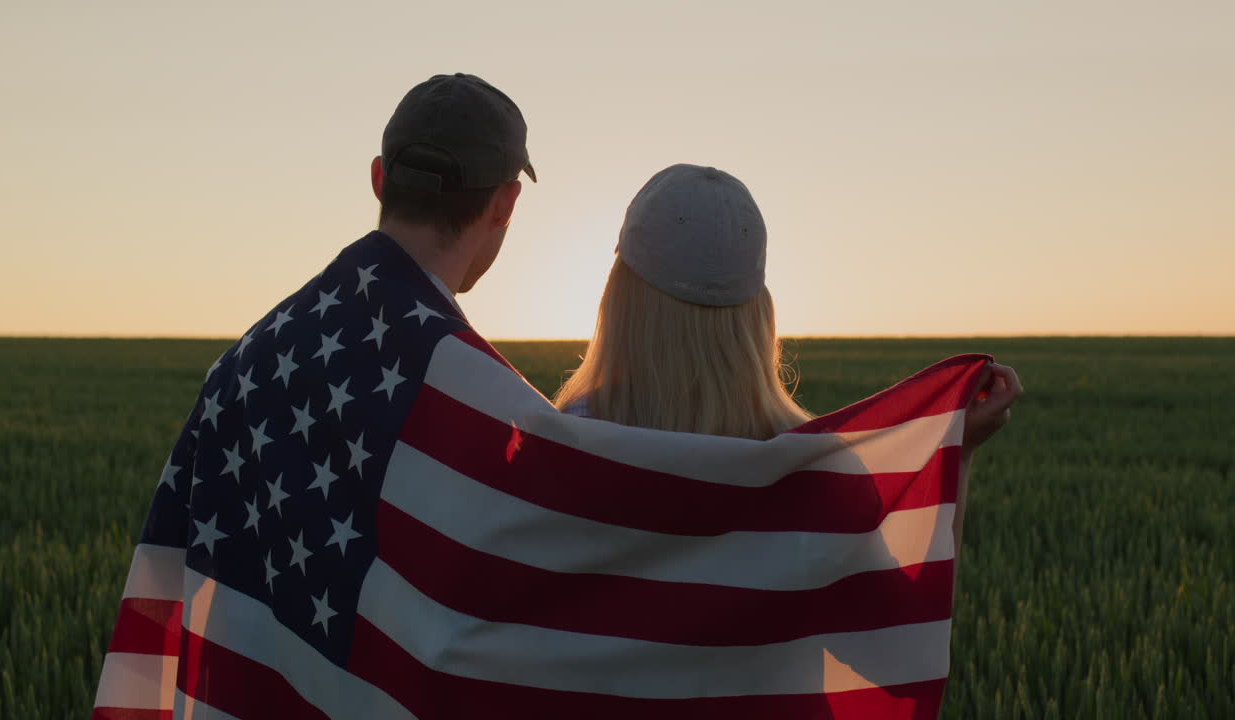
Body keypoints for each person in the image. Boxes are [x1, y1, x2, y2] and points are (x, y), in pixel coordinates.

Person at [93, 74, 1017, 720]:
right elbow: (880, 644)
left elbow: (464, 631)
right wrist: (943, 456)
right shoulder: (811, 488)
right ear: (760, 312)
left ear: (616, 291)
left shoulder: (554, 455)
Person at [555, 161, 1022, 582]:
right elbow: (891, 628)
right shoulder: (813, 469)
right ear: (757, 313)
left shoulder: (566, 446)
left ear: (619, 300)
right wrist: (958, 455)